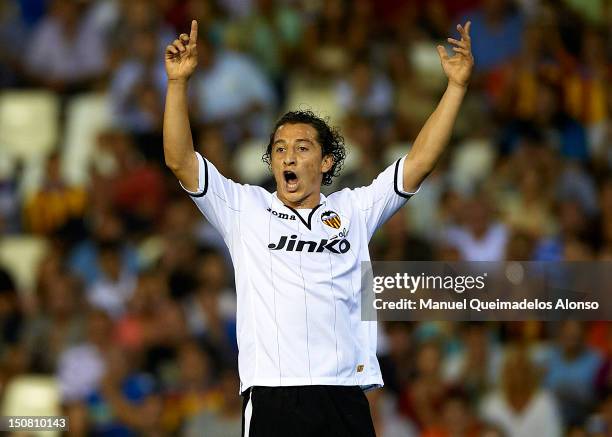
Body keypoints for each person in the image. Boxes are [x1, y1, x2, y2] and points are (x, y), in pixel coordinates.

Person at [163, 19, 473, 437]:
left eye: (302, 147)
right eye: (279, 149)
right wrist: (177, 84)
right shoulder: (243, 206)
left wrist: (454, 89)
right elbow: (181, 160)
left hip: (344, 393)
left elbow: (418, 163)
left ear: (326, 162)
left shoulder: (355, 209)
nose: (288, 157)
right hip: (274, 394)